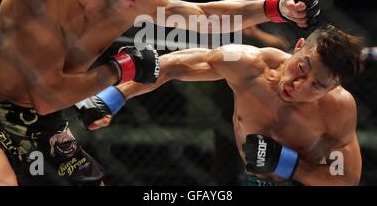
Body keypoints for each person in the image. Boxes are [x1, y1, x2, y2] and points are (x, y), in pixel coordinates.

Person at [0, 0, 319, 185]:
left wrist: (273, 8)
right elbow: (48, 96)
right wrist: (121, 70)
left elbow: (201, 16)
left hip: (46, 124)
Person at [105, 24, 363, 185]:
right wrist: (115, 96)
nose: (300, 85)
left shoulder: (338, 108)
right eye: (301, 68)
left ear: (332, 87)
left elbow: (344, 180)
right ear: (297, 47)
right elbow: (174, 66)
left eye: (317, 85)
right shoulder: (249, 65)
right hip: (249, 180)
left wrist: (290, 166)